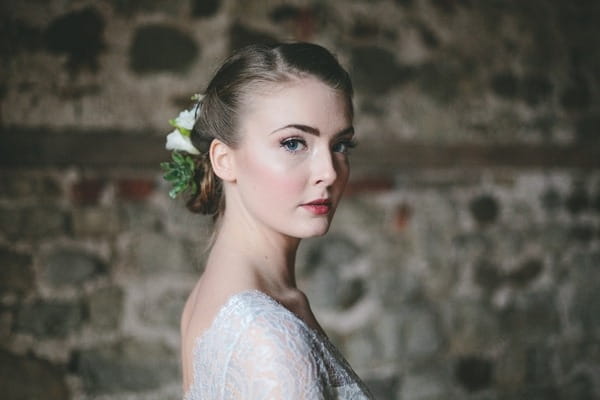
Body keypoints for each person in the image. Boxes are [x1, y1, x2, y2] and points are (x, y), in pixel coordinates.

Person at [162, 42, 373, 399]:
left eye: (340, 146)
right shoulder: (269, 342)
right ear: (224, 160)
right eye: (293, 143)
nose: (328, 172)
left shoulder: (218, 295)